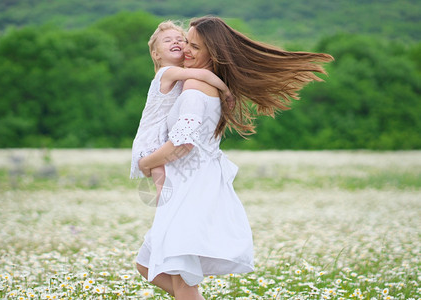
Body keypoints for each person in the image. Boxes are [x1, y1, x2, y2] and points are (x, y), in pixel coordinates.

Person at [136, 16, 333, 299]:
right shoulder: (200, 84)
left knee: (178, 277)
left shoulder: (193, 89)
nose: (185, 50)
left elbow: (183, 142)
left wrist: (146, 163)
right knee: (148, 265)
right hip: (193, 185)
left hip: (191, 189)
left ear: (212, 53)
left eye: (194, 46)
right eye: (186, 43)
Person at [130, 20, 233, 202]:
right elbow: (204, 75)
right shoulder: (166, 72)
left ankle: (165, 201)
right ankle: (164, 200)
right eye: (167, 40)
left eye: (181, 39)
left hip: (165, 136)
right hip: (152, 133)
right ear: (156, 55)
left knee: (159, 168)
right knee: (159, 169)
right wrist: (226, 90)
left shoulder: (184, 79)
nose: (176, 42)